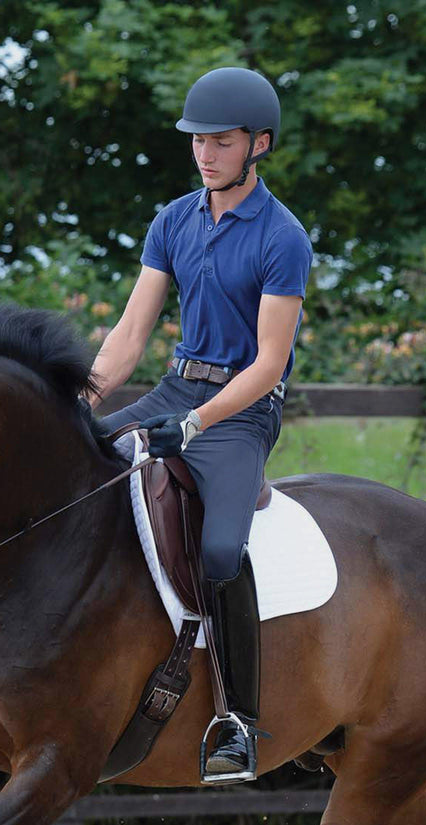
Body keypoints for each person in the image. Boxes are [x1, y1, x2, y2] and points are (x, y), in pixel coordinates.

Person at [88, 66, 314, 780]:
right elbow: (129, 337)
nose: (205, 153)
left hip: (241, 413)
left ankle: (238, 721)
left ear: (260, 145)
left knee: (221, 551)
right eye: (198, 141)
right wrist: (83, 407)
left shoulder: (284, 238)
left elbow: (269, 364)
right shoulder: (173, 221)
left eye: (221, 141)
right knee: (73, 470)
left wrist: (195, 425)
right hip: (175, 387)